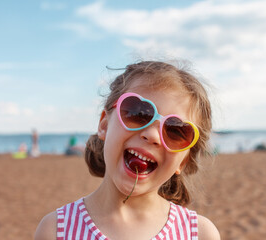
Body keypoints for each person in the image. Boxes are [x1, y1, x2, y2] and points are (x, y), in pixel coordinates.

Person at [35, 61, 220, 239]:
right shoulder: (55, 230)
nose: (152, 135)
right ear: (104, 125)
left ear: (184, 161)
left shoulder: (200, 234)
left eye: (176, 131)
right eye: (138, 113)